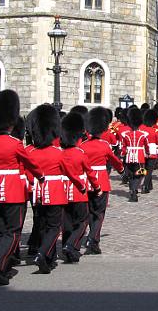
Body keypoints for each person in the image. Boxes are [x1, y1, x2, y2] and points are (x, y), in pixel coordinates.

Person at [0, 90, 41, 285]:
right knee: (13, 231)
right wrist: (40, 176)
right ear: (11, 121)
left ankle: (4, 265)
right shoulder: (15, 143)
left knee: (2, 229)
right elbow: (30, 163)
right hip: (13, 191)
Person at [25, 105, 87, 274]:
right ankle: (42, 253)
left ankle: (49, 259)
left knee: (43, 224)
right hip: (55, 193)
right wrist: (81, 185)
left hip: (38, 193)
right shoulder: (58, 153)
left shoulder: (31, 152)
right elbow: (71, 173)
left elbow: (28, 172)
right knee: (54, 226)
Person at [80, 107, 124, 255]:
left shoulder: (83, 146)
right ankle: (93, 240)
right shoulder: (104, 145)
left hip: (86, 181)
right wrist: (122, 170)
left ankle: (86, 238)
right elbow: (114, 160)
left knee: (88, 211)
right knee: (98, 213)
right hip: (101, 181)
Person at [60, 112, 100, 263]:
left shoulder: (61, 153)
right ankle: (71, 245)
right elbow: (89, 173)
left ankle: (66, 247)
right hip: (79, 191)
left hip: (63, 191)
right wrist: (97, 187)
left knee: (67, 221)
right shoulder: (80, 153)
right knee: (82, 221)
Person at [120, 107, 150, 202]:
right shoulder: (143, 134)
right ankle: (134, 189)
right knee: (140, 173)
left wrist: (123, 154)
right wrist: (148, 153)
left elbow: (124, 147)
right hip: (139, 157)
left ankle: (132, 189)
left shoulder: (126, 134)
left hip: (129, 157)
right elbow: (147, 146)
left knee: (131, 174)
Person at [139, 109, 158, 193]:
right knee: (149, 169)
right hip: (151, 150)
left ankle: (149, 185)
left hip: (143, 150)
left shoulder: (140, 129)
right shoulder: (154, 131)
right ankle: (145, 185)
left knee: (145, 168)